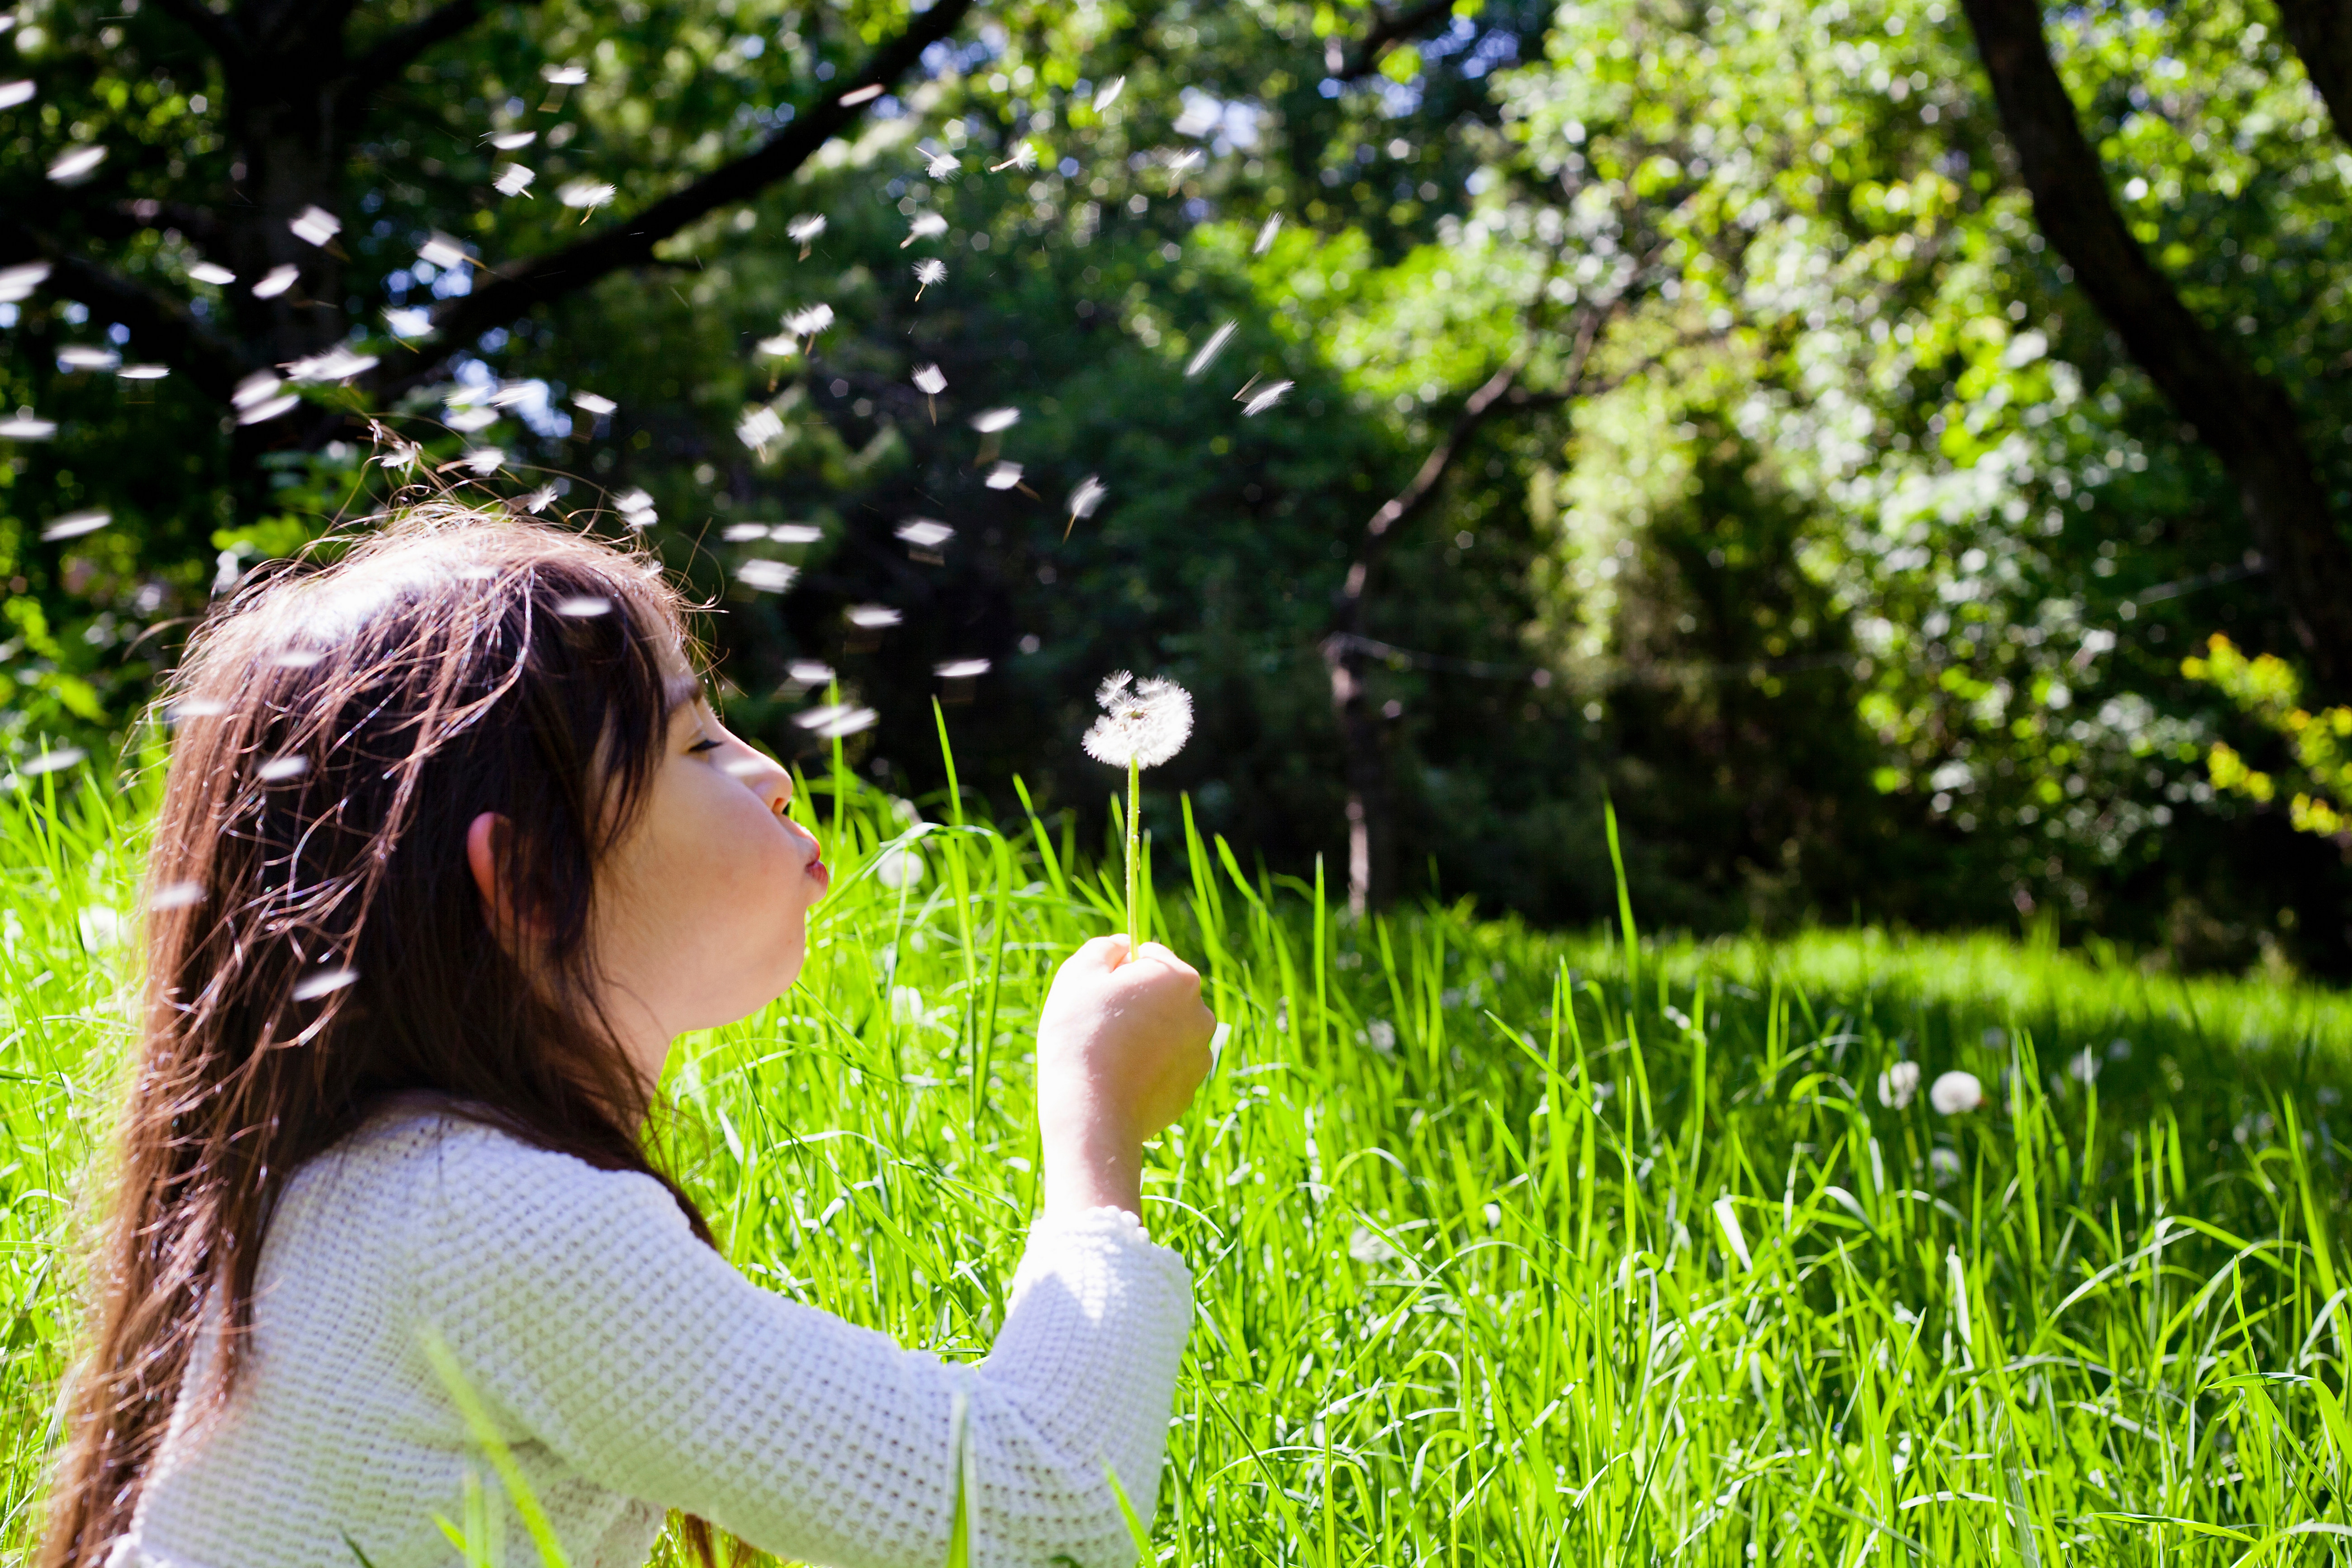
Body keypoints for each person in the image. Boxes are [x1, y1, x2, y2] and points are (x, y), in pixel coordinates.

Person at [37, 502, 1218, 1568]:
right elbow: (1042, 1520)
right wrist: (1097, 1124)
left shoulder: (370, 1188)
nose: (773, 776)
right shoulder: (489, 1219)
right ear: (530, 886)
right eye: (697, 744)